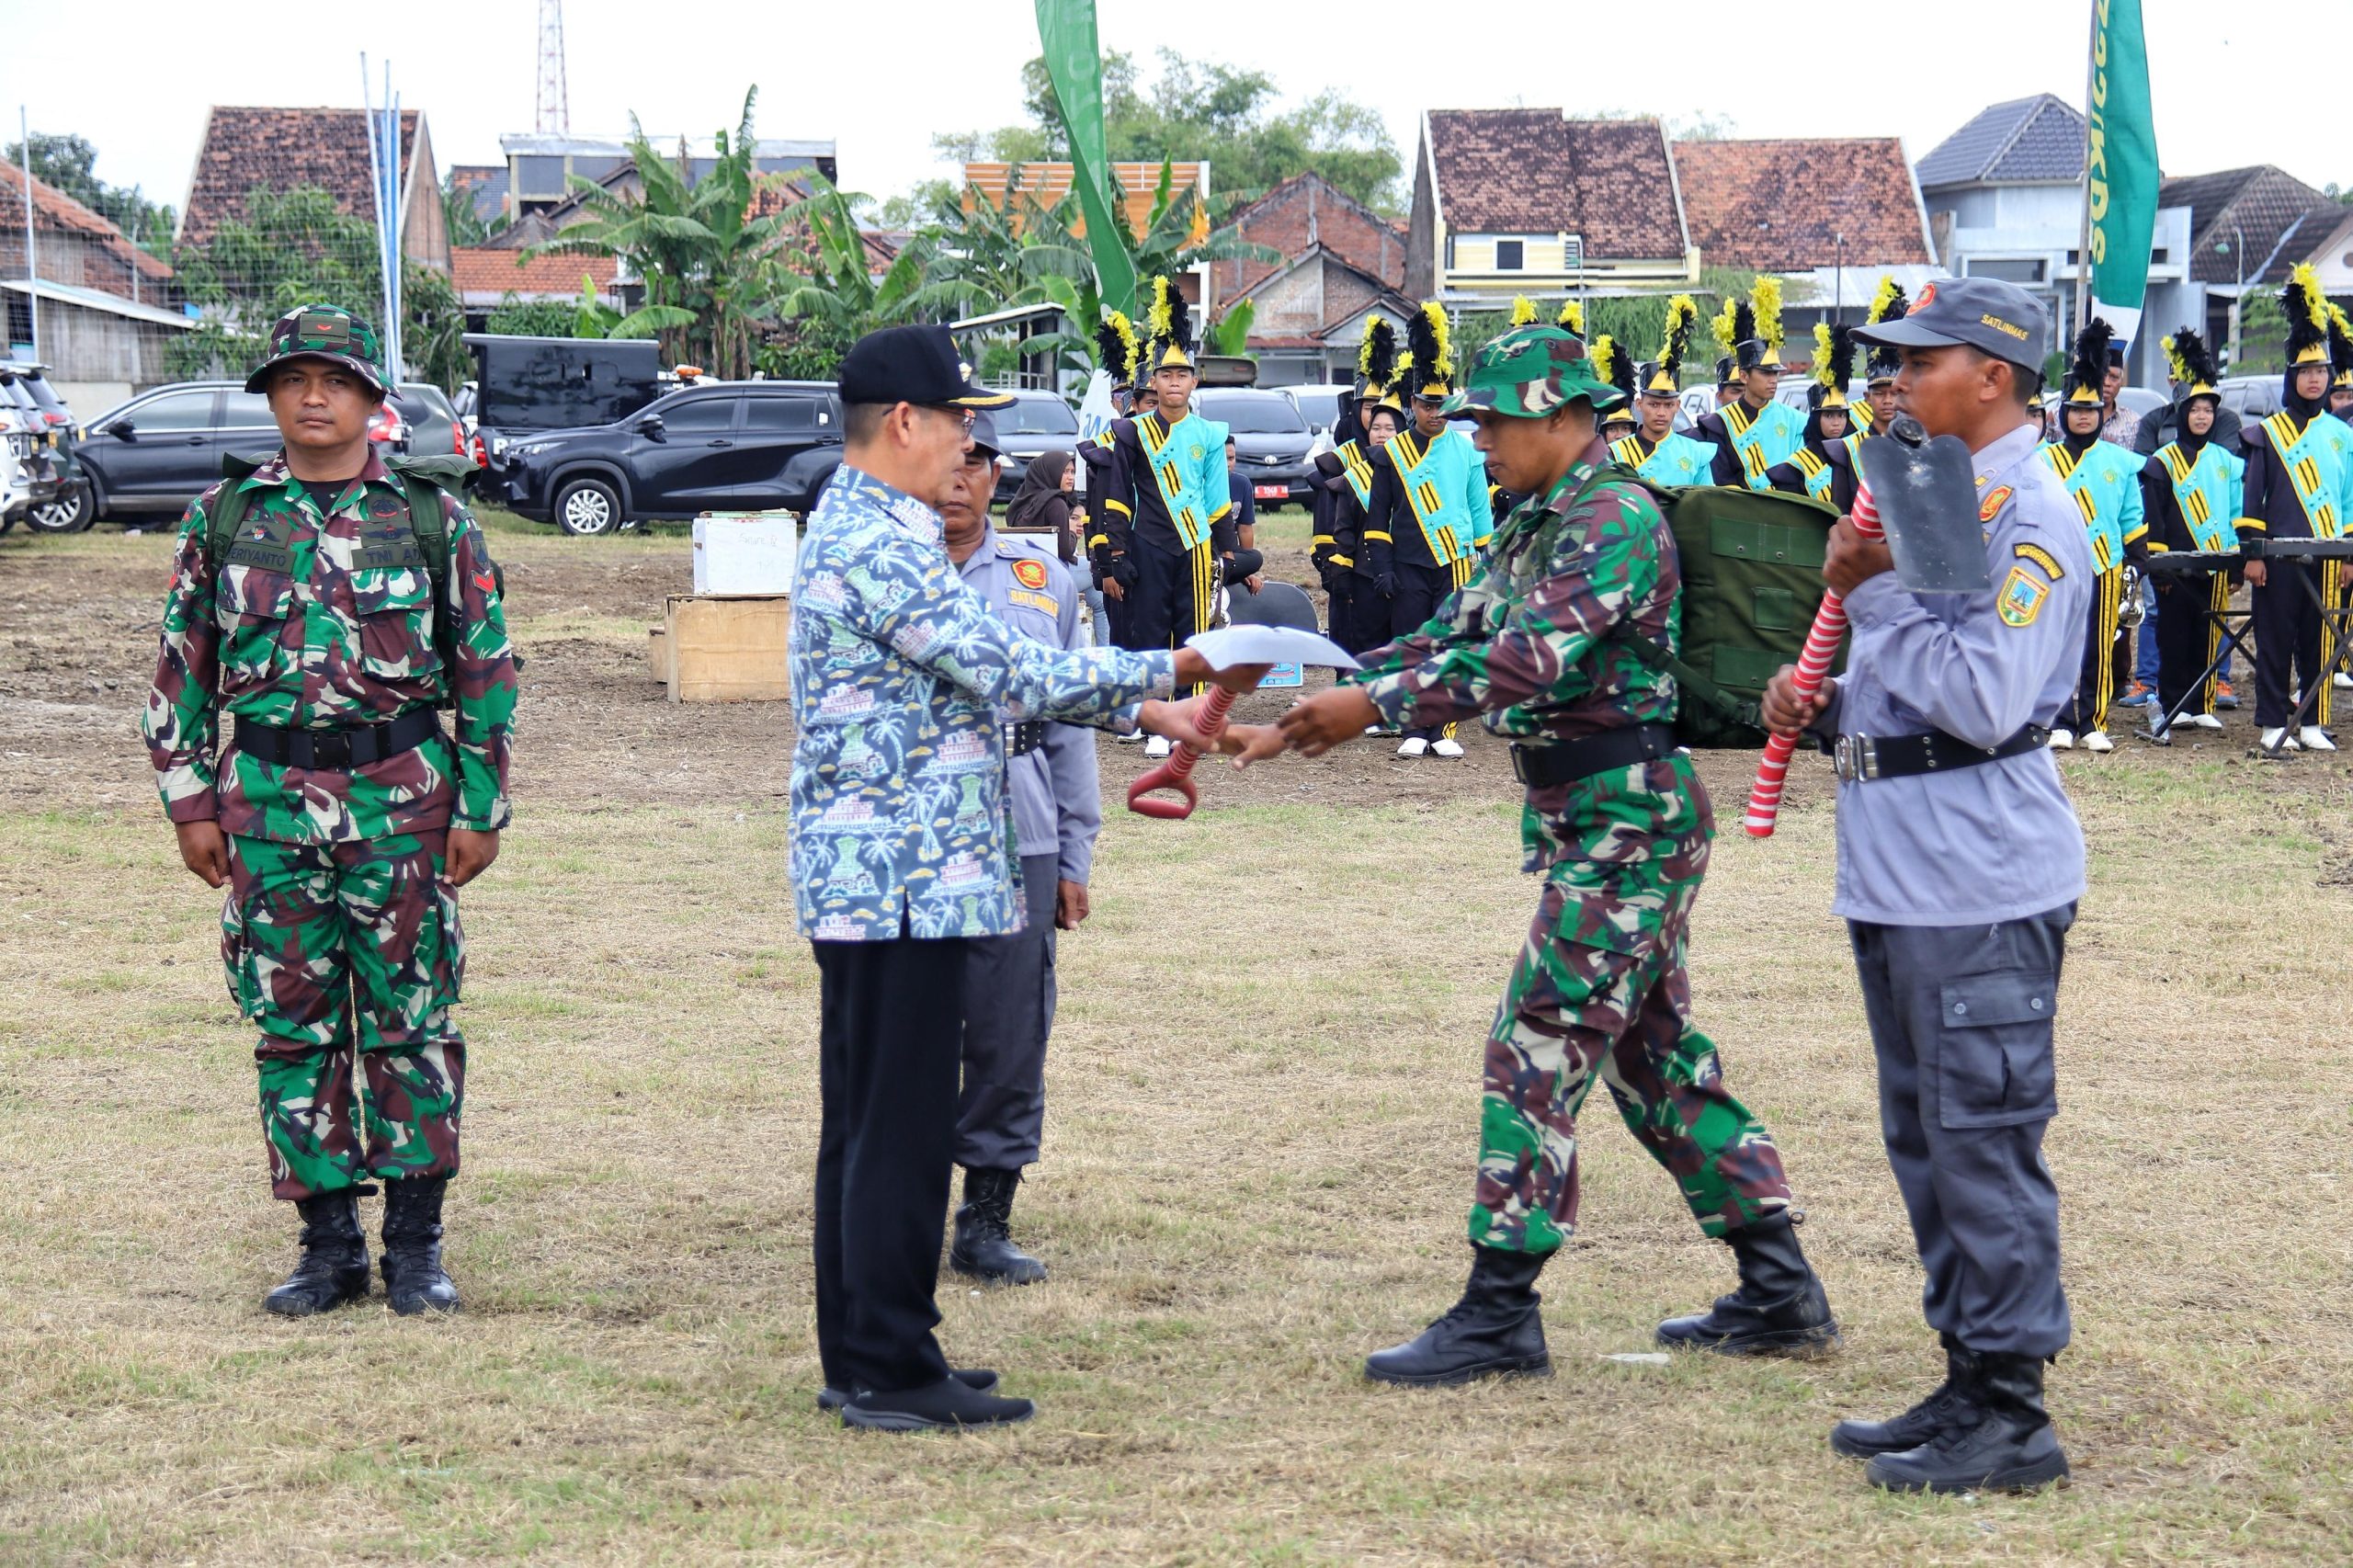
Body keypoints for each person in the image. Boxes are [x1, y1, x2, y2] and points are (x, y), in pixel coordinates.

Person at [1227, 323, 1838, 1385]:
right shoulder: (1534, 521)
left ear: (1565, 418)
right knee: (1653, 1060)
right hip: (1593, 814)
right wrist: (1313, 701)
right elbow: (1450, 637)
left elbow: (1528, 659)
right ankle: (1779, 1287)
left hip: (1630, 820)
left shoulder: (1613, 519)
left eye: (1497, 421)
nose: (1480, 440)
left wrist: (1371, 706)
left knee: (1537, 1041)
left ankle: (1499, 1308)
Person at [790, 324, 1261, 1432]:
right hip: (903, 876)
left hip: (887, 871)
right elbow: (1006, 665)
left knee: (867, 1119)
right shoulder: (881, 539)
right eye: (960, 420)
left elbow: (992, 677)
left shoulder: (860, 524)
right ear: (904, 422)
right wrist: (1173, 665)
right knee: (899, 1125)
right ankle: (889, 1364)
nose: (970, 443)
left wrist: (1150, 708)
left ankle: (868, 1349)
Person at [1763, 275, 2089, 1495]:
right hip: (1906, 875)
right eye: (1890, 360)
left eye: (1920, 359)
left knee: (1981, 1145)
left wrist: (1869, 591)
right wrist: (1827, 699)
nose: (1893, 380)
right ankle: (1967, 1375)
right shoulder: (1945, 492)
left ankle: (2012, 1416)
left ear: (1992, 375)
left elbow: (1991, 699)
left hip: (1977, 882)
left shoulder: (2030, 516)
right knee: (1931, 1143)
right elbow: (1925, 679)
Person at [141, 304, 517, 1318]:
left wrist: (482, 808)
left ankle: (416, 1247)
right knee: (293, 1030)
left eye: (336, 380)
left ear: (371, 400)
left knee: (411, 1022)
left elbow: (484, 671)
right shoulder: (224, 519)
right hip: (266, 811)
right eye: (294, 379)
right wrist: (188, 802)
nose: (314, 397)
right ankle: (328, 1247)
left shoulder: (433, 518)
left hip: (401, 806)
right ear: (270, 395)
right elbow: (182, 669)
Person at [909, 414, 1104, 1296]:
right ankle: (900, 1202)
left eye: (977, 464)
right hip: (906, 833)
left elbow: (1072, 723)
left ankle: (986, 1216)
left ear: (997, 478)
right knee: (905, 1026)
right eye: (946, 462)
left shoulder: (1043, 580)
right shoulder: (880, 574)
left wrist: (1073, 854)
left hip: (1016, 831)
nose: (959, 479)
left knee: (1009, 1028)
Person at [1096, 277, 1236, 759]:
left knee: (1193, 636)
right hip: (1147, 545)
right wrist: (1116, 552)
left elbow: (1217, 499)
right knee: (1151, 636)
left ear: (1194, 381)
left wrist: (1227, 550)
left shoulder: (1211, 434)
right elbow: (1118, 498)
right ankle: (1159, 722)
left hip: (1195, 545)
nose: (1174, 383)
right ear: (1153, 382)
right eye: (1166, 375)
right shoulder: (1131, 433)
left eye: (1183, 375)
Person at [1365, 302, 1495, 758]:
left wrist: (1488, 566)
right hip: (1407, 563)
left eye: (1440, 404)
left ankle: (1442, 729)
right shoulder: (1391, 453)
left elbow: (1480, 512)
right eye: (1425, 404)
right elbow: (1377, 517)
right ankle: (1413, 729)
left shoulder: (1469, 450)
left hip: (1455, 561)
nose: (1433, 412)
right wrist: (1382, 566)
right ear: (1413, 404)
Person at [2236, 264, 2351, 753]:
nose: (2315, 379)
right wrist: (2253, 552)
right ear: (2292, 377)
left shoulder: (2343, 435)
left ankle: (2311, 723)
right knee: (2275, 640)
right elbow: (2252, 499)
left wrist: (2349, 555)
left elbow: (2349, 501)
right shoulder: (2267, 433)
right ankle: (2271, 722)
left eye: (2321, 371)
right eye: (2306, 372)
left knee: (2318, 640)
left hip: (2327, 554)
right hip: (2277, 557)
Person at [2039, 319, 2146, 753]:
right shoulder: (2042, 460)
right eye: (2076, 409)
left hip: (2106, 563)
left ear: (2102, 414)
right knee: (2057, 644)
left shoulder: (2120, 461)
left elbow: (2131, 515)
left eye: (2091, 410)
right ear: (2063, 414)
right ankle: (2059, 721)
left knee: (2100, 645)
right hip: (2056, 564)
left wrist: (2137, 560)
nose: (2083, 416)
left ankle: (2093, 721)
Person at [2137, 330, 2243, 742]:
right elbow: (2155, 517)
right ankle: (2174, 703)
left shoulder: (2225, 461)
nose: (2202, 417)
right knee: (2174, 636)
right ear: (2182, 413)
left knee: (2207, 635)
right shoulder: (2162, 461)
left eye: (2208, 411)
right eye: (2195, 410)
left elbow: (2234, 512)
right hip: (2176, 568)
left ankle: (2202, 706)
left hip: (2214, 563)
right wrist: (2160, 568)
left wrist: (2234, 562)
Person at [1311, 318, 1402, 655]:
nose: (1377, 421)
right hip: (1350, 578)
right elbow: (1325, 529)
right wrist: (1337, 574)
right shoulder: (1339, 462)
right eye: (1369, 408)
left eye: (1386, 415)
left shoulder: (1407, 462)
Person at [1694, 279, 1805, 490]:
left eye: (1775, 373)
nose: (1773, 380)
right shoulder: (1719, 423)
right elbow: (1723, 481)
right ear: (1744, 376)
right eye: (1765, 373)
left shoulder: (1795, 421)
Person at [1083, 312, 1143, 663]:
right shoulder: (1105, 448)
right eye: (1121, 393)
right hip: (1117, 560)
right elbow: (1097, 514)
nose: (1127, 400)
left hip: (1153, 556)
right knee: (1123, 641)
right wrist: (1105, 569)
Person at [1608, 296, 1718, 487]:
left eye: (1668, 405)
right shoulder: (1616, 454)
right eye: (1653, 404)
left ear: (1678, 405)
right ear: (1639, 404)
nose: (1661, 412)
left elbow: (1707, 502)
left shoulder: (1695, 453)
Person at [1768, 323, 1860, 513]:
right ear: (1816, 420)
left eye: (1841, 415)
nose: (1836, 422)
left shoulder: (1856, 455)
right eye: (1828, 415)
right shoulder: (1797, 467)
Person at [2099, 341, 2142, 449]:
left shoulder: (2134, 422)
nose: (2106, 383)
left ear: (2121, 382)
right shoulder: (2066, 417)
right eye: (2101, 376)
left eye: (2114, 378)